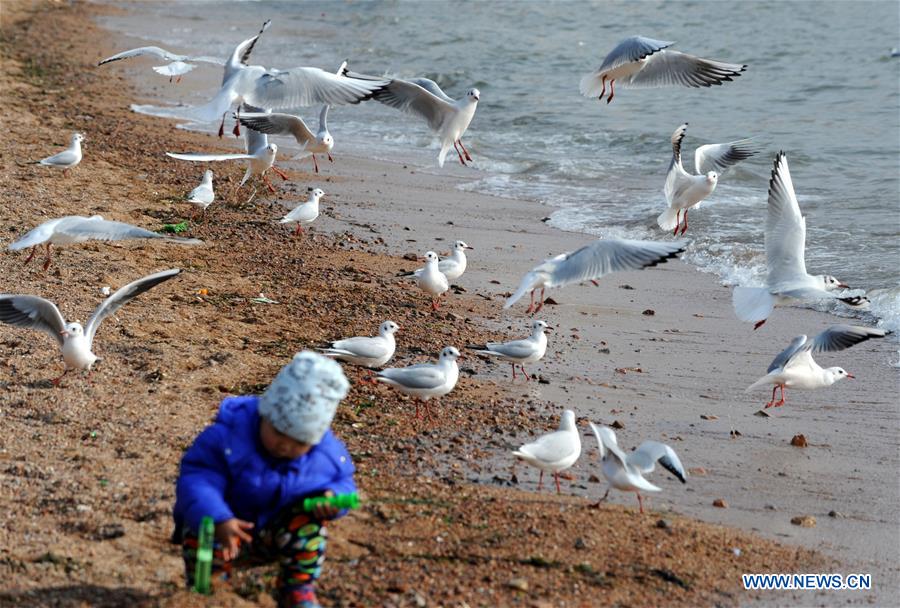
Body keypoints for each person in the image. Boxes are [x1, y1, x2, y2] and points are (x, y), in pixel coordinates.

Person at [172, 351, 355, 608]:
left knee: (310, 526)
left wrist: (334, 499)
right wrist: (219, 516)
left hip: (276, 534)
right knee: (202, 526)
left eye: (299, 442)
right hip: (227, 530)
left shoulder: (325, 455)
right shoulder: (226, 438)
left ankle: (297, 586)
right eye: (279, 432)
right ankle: (206, 588)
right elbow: (198, 480)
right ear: (265, 413)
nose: (285, 446)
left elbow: (343, 483)